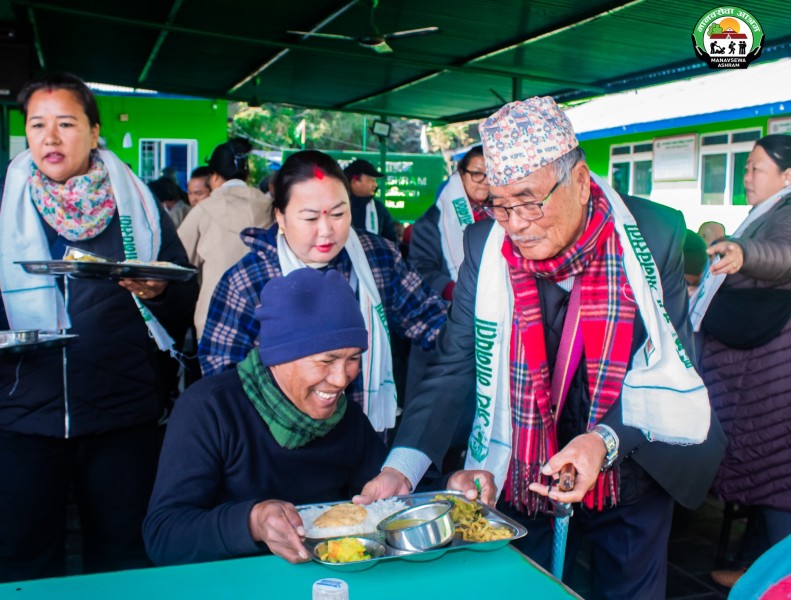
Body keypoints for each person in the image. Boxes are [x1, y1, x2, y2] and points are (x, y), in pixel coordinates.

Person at [355, 97, 725, 599]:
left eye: (530, 201)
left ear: (578, 180)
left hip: (631, 457)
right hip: (524, 463)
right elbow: (452, 366)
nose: (516, 223)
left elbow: (670, 366)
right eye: (500, 204)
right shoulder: (484, 244)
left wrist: (602, 442)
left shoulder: (652, 234)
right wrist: (401, 467)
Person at [144, 268, 492, 565]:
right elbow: (164, 534)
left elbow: (384, 498)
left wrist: (450, 489)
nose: (342, 379)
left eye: (353, 358)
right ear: (278, 357)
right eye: (326, 361)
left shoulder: (345, 418)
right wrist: (251, 522)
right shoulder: (210, 410)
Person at [0, 73, 197, 582]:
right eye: (37, 125)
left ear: (93, 131)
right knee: (23, 558)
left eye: (65, 124)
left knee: (122, 557)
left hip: (122, 411)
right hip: (24, 414)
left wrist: (160, 292)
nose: (50, 137)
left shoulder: (138, 205)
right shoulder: (5, 207)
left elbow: (180, 298)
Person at [199, 150, 447, 434]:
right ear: (280, 216)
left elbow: (428, 318)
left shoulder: (378, 258)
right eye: (310, 218)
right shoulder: (249, 280)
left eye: (339, 213)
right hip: (279, 447)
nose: (327, 230)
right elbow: (222, 371)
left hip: (365, 438)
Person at [692, 134, 791, 587]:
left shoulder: (787, 213)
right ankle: (760, 571)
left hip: (774, 368)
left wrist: (745, 253)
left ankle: (776, 582)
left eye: (756, 169)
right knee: (766, 471)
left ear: (787, 176)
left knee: (777, 475)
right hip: (757, 362)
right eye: (747, 167)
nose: (746, 177)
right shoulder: (764, 213)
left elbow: (783, 258)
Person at [177, 138, 273, 338]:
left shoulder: (204, 209)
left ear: (213, 176)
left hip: (215, 316)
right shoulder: (271, 208)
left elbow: (179, 260)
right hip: (266, 315)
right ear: (246, 173)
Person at [410, 146, 490, 301]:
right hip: (451, 306)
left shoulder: (503, 213)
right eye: (477, 174)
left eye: (492, 174)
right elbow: (420, 269)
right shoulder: (433, 220)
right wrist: (453, 291)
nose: (485, 181)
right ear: (461, 174)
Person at [343, 158, 399, 244]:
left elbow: (391, 240)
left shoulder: (379, 209)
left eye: (375, 181)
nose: (375, 185)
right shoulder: (338, 207)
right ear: (354, 182)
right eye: (371, 180)